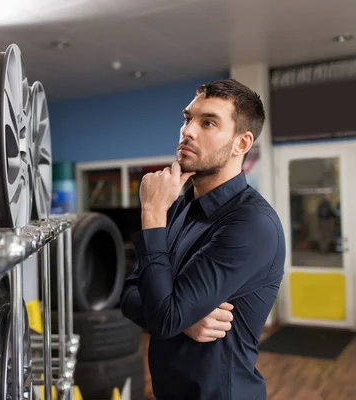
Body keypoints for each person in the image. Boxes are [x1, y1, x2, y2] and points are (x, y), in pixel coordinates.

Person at [120, 79, 285, 400]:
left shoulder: (251, 224)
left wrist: (152, 213)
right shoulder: (181, 207)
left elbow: (163, 316)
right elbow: (129, 293)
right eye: (187, 119)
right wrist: (181, 319)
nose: (187, 131)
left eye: (208, 122)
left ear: (241, 143)